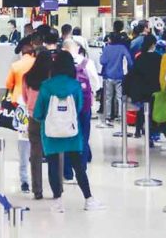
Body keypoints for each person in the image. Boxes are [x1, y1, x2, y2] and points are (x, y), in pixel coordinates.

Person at [33, 51, 106, 213]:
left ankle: (58, 200)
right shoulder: (75, 85)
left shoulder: (46, 86)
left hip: (51, 133)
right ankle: (88, 199)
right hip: (72, 132)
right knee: (78, 166)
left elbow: (38, 112)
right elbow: (79, 108)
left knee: (53, 165)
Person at [62, 39, 99, 182]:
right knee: (83, 136)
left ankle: (67, 173)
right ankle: (81, 170)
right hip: (84, 104)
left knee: (66, 137)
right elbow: (95, 83)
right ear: (76, 48)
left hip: (66, 106)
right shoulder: (86, 63)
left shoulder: (60, 62)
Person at [5, 42, 36, 193]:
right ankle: (38, 177)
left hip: (20, 105)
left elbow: (8, 83)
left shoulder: (16, 66)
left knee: (23, 141)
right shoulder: (38, 64)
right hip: (36, 104)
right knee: (36, 141)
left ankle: (24, 179)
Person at [23, 50, 52, 200]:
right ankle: (57, 187)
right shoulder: (52, 78)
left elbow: (24, 96)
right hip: (51, 118)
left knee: (35, 152)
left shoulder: (28, 77)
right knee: (55, 151)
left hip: (34, 116)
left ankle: (37, 189)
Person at [127, 35, 164, 140]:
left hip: (142, 90)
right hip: (155, 89)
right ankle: (152, 133)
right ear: (153, 45)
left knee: (141, 110)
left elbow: (134, 74)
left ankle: (138, 130)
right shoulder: (158, 58)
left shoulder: (140, 57)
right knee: (153, 112)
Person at [100, 23, 134, 124]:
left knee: (108, 97)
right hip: (120, 76)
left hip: (108, 76)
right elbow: (129, 61)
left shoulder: (107, 48)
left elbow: (102, 61)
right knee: (119, 97)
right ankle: (120, 115)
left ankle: (108, 116)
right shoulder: (122, 48)